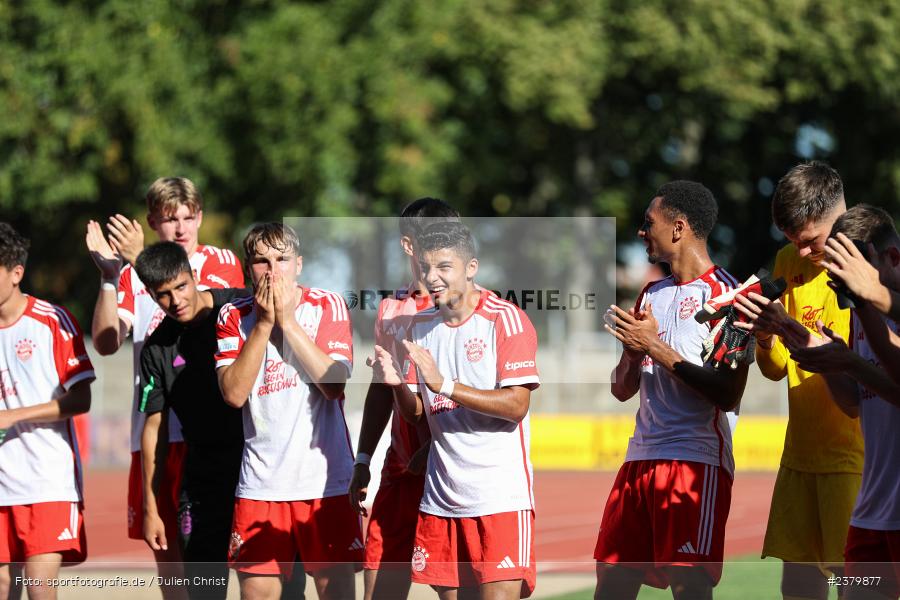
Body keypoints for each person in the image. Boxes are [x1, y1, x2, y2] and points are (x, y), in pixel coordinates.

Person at [85, 177, 244, 599]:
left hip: (218, 433)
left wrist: (139, 260)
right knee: (171, 564)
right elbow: (104, 341)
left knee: (230, 555)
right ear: (152, 221)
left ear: (201, 218)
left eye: (189, 217)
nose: (181, 228)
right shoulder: (131, 272)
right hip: (157, 430)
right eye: (170, 219)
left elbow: (206, 311)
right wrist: (109, 276)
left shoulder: (220, 261)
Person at [369, 221, 540, 600]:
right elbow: (415, 413)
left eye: (444, 267)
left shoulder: (504, 318)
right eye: (427, 267)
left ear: (471, 268)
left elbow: (516, 404)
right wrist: (396, 383)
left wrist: (444, 385)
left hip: (499, 500)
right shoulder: (421, 325)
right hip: (442, 500)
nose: (433, 277)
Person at [595, 181, 748, 600]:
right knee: (610, 581)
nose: (641, 232)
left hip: (694, 462)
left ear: (678, 227)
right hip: (639, 458)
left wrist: (653, 347)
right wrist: (630, 354)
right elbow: (622, 390)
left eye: (649, 223)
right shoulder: (650, 293)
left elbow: (727, 393)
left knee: (689, 585)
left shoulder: (732, 299)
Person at [733, 162, 861, 600]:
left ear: (839, 214)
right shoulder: (788, 262)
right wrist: (766, 334)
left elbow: (854, 366)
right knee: (798, 587)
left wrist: (788, 326)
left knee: (859, 584)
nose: (801, 253)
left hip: (854, 458)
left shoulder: (870, 264)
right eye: (792, 243)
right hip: (800, 454)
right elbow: (775, 369)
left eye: (810, 241)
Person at [215, 222, 361, 600]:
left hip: (324, 481)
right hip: (260, 484)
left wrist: (288, 323)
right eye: (262, 261)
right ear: (249, 268)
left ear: (298, 264)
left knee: (337, 592)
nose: (273, 270)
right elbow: (233, 394)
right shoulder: (234, 314)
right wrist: (264, 324)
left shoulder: (326, 304)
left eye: (282, 259)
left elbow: (333, 385)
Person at [349, 198, 459, 600]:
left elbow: (480, 394)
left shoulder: (472, 308)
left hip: (450, 474)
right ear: (409, 246)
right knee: (379, 589)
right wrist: (364, 459)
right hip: (399, 470)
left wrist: (434, 446)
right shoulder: (391, 308)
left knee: (453, 591)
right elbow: (382, 387)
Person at [788, 205, 900, 600]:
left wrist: (850, 361)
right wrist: (827, 363)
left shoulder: (872, 305)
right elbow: (856, 402)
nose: (841, 288)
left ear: (892, 258)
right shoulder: (859, 311)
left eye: (847, 276)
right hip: (871, 511)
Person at [133, 241, 248, 600]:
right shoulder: (156, 348)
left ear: (194, 275)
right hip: (203, 479)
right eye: (163, 295)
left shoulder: (241, 308)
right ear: (152, 296)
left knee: (274, 587)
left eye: (181, 286)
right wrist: (151, 509)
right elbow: (154, 428)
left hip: (258, 469)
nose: (176, 300)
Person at [0, 223, 95, 600]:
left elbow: (80, 399)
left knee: (40, 590)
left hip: (45, 482)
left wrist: (13, 416)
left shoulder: (51, 320)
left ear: (16, 273)